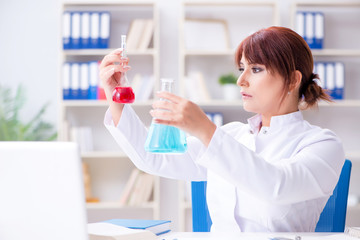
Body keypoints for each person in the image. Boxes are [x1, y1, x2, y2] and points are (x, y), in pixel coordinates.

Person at [100, 26, 345, 232]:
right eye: (241, 68)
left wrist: (206, 130)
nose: (241, 80)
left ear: (292, 80)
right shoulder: (232, 135)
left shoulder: (322, 145)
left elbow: (277, 185)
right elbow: (154, 158)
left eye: (256, 69)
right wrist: (115, 98)